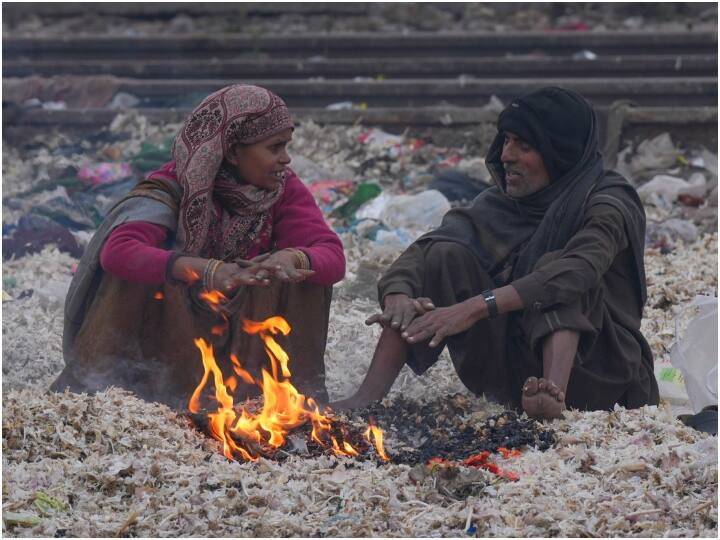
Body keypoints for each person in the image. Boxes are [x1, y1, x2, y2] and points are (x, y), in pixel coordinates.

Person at [333, 86, 659, 420]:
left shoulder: (608, 201)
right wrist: (398, 294)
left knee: (558, 273)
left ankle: (553, 400)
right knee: (446, 255)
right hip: (513, 374)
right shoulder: (501, 204)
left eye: (524, 146)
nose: (506, 155)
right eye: (505, 141)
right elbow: (429, 248)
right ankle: (367, 398)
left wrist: (475, 307)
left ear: (561, 154)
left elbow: (581, 268)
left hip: (599, 374)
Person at [50, 84, 345, 408]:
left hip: (248, 347)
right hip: (171, 346)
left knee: (307, 272)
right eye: (274, 148)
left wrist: (292, 257)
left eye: (286, 147)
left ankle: (281, 402)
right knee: (135, 273)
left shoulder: (281, 189)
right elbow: (118, 251)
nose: (285, 159)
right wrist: (206, 271)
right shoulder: (173, 187)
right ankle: (111, 396)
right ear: (232, 151)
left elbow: (331, 255)